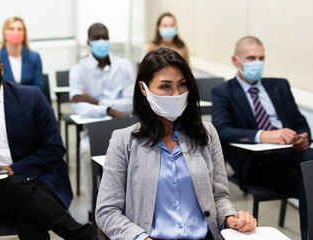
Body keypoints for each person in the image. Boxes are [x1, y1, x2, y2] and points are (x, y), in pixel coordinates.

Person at [95, 47, 257, 240]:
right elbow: (107, 211)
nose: (176, 94)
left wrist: (231, 218)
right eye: (165, 86)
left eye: (181, 84)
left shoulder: (207, 134)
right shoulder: (123, 141)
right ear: (143, 89)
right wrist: (140, 238)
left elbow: (219, 197)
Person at [0, 44, 101, 240]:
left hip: (40, 178)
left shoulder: (32, 97)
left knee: (29, 216)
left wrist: (15, 169)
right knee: (19, 191)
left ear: (1, 68)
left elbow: (54, 147)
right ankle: (86, 235)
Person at [211, 36, 313, 240]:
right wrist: (265, 135)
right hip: (257, 162)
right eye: (251, 58)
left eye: (261, 57)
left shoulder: (279, 86)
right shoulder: (224, 92)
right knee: (308, 177)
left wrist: (303, 138)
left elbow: (300, 121)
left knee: (310, 165)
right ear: (235, 60)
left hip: (292, 153)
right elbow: (221, 130)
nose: (257, 63)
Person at [69, 23, 135, 215]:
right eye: (96, 38)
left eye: (104, 37)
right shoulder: (78, 70)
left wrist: (94, 101)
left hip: (124, 125)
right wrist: (108, 108)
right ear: (89, 41)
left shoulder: (124, 66)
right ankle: (95, 211)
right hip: (94, 127)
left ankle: (130, 210)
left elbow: (129, 103)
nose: (101, 42)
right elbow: (77, 105)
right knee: (86, 151)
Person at [0, 16, 43, 89]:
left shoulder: (34, 57)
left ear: (24, 33)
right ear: (4, 32)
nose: (15, 32)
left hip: (30, 99)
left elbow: (38, 87)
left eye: (19, 29)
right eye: (11, 29)